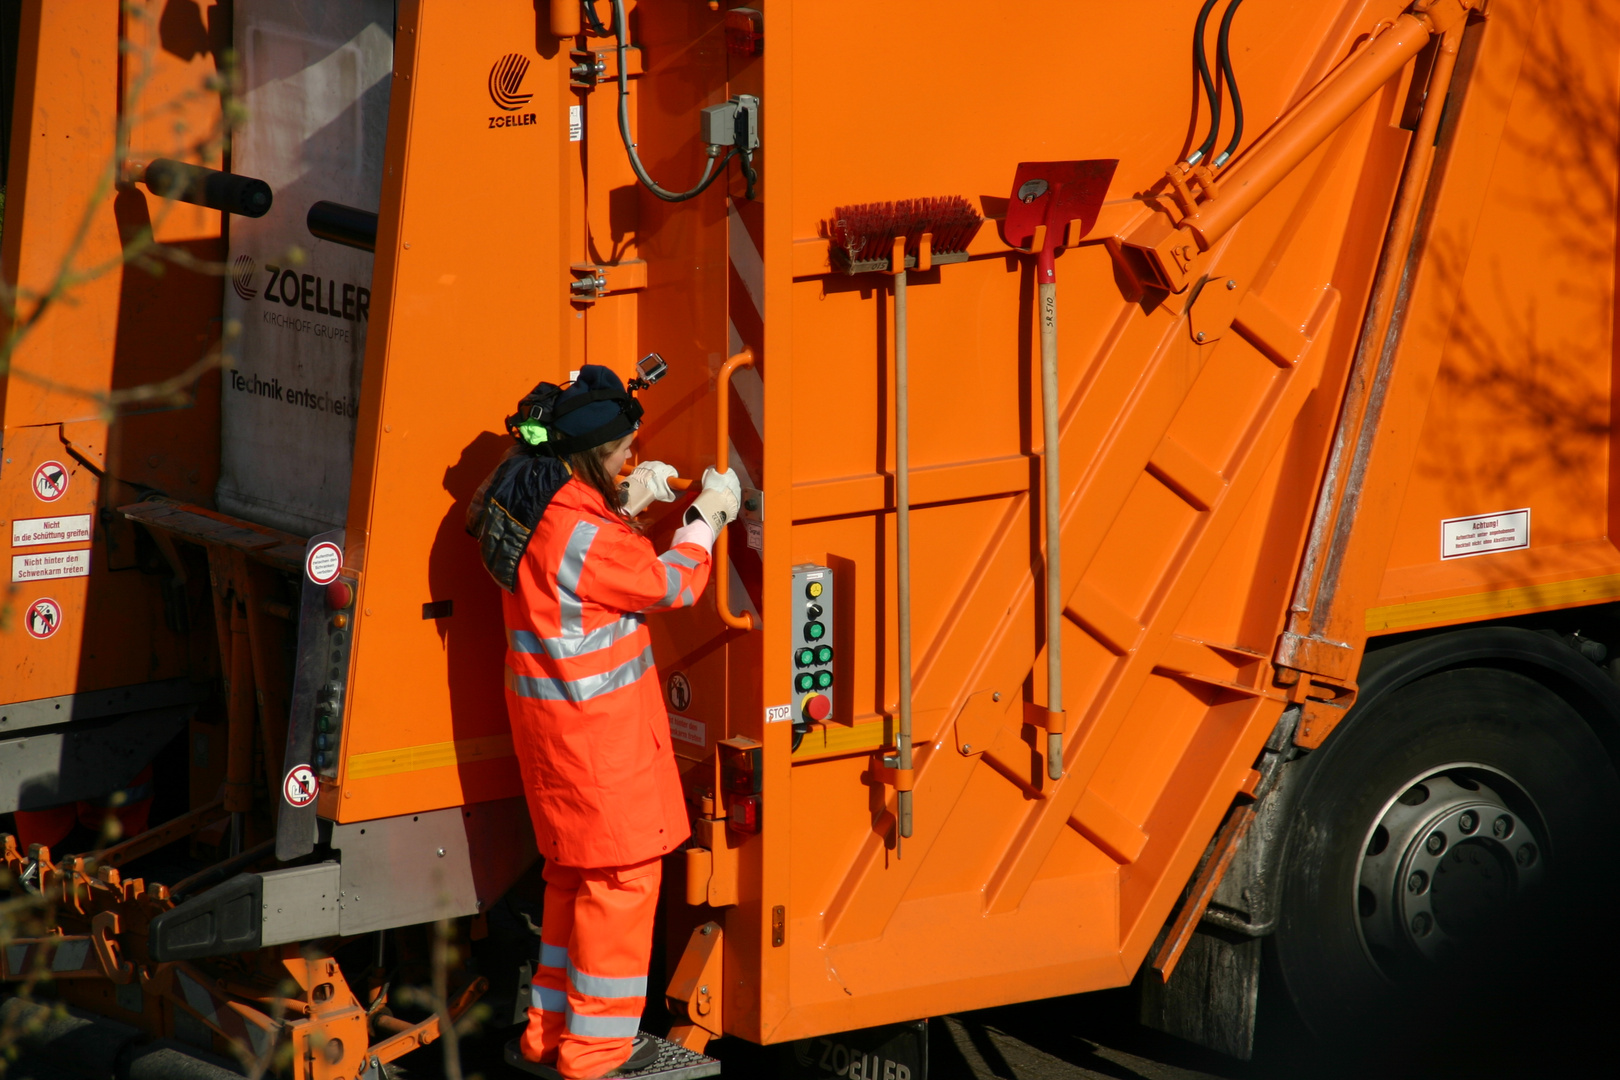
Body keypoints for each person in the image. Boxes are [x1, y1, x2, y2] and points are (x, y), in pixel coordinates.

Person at [474, 365, 739, 1079]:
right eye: (624, 449)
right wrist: (703, 520)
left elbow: (577, 557)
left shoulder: (534, 495)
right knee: (621, 885)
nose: (633, 454)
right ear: (591, 453)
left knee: (571, 880)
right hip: (602, 744)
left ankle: (547, 1036)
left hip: (555, 734)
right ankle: (593, 1055)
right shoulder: (590, 534)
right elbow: (671, 582)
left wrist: (629, 500)